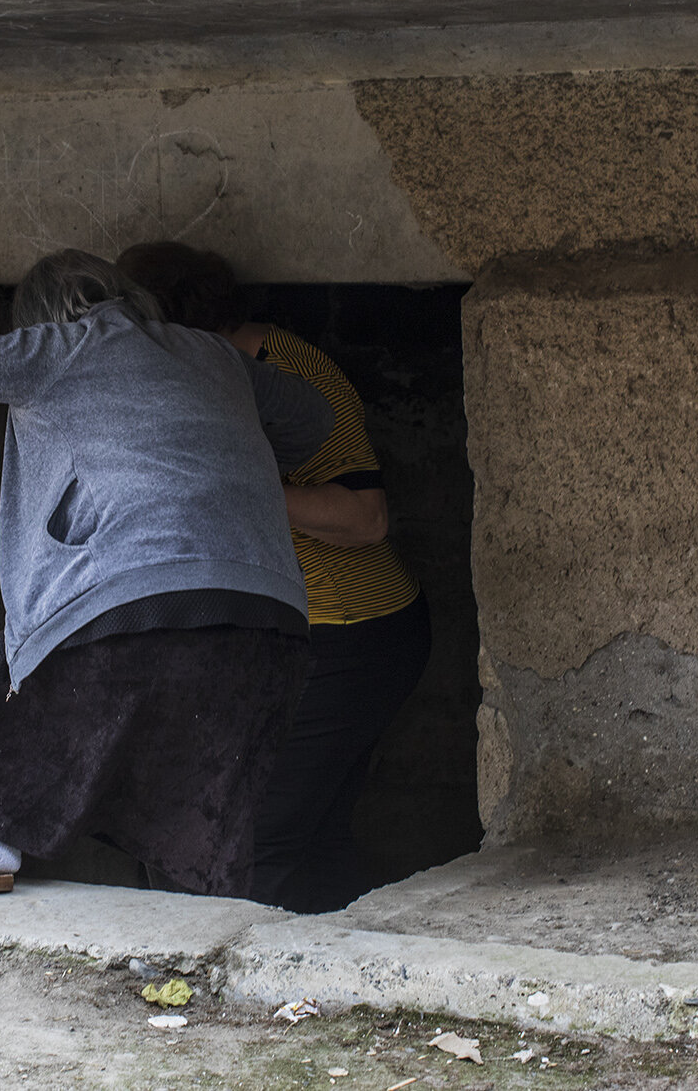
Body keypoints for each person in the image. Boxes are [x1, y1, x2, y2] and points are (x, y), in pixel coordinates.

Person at [0, 249, 334, 897]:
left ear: (41, 316)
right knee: (196, 805)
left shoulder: (61, 347)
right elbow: (314, 418)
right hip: (270, 625)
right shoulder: (213, 355)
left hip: (130, 607)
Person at [116, 241, 432, 913]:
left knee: (259, 834)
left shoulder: (283, 369)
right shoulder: (188, 375)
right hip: (286, 638)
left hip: (346, 636)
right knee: (309, 834)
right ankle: (331, 975)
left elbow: (367, 515)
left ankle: (266, 988)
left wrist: (241, 479)